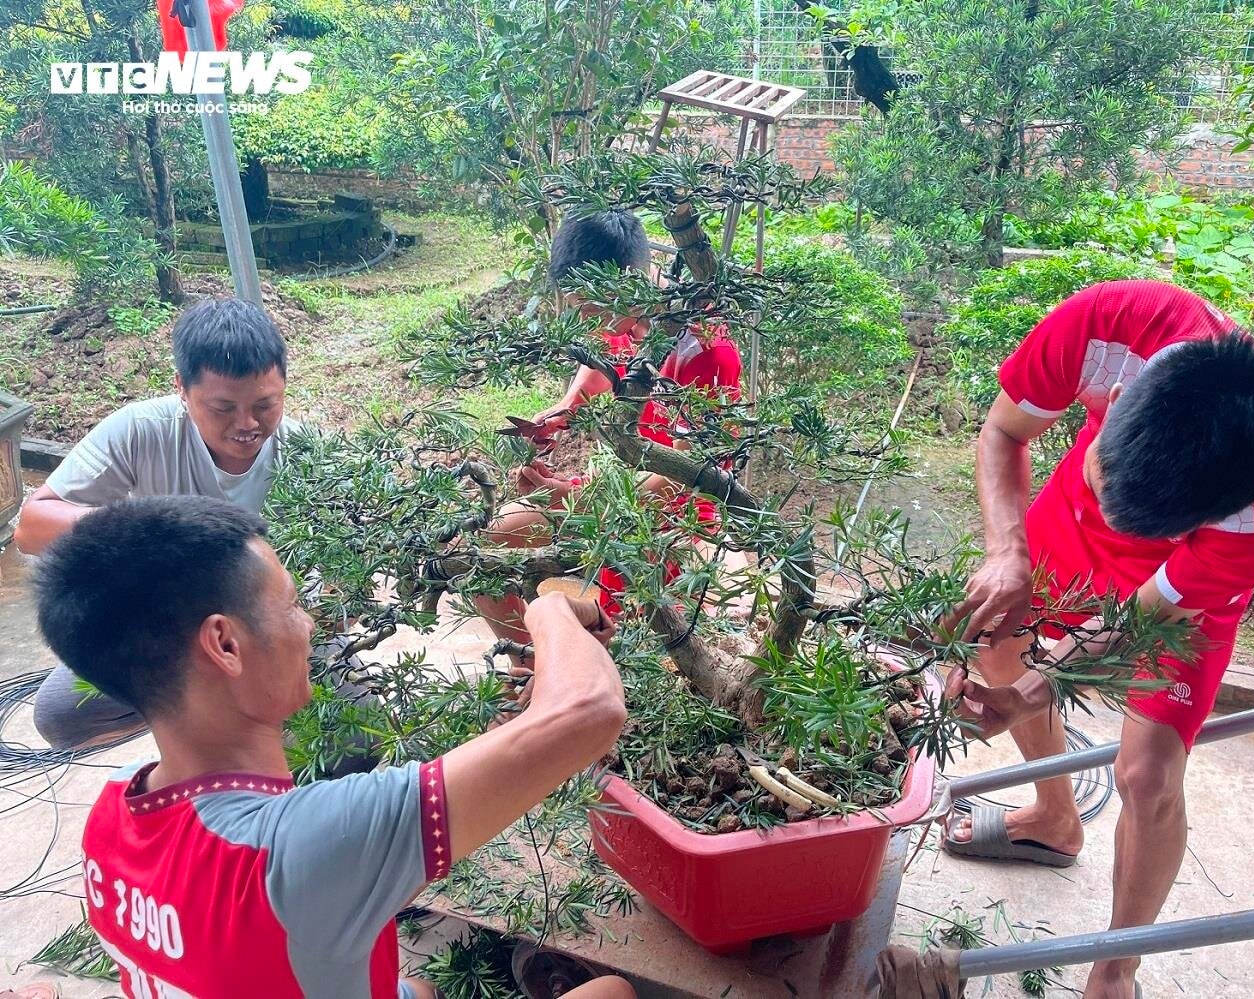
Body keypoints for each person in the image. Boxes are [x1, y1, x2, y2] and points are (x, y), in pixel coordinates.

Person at [34, 495, 634, 999]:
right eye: (292, 605)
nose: (310, 624)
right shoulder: (303, 848)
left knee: (414, 988)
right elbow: (588, 711)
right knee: (614, 993)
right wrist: (549, 608)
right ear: (225, 644)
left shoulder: (111, 816)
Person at [942, 280, 1254, 999]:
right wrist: (1006, 549)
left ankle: (1114, 967)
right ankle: (1054, 819)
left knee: (1147, 774)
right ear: (1115, 403)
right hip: (1067, 525)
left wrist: (1030, 691)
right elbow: (1001, 432)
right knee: (996, 640)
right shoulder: (1107, 325)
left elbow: (1144, 615)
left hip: (1178, 589)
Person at [14, 296, 302, 749]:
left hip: (264, 624)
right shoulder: (139, 431)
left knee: (356, 729)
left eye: (265, 405)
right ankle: (187, 724)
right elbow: (31, 528)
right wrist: (155, 528)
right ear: (182, 391)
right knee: (61, 718)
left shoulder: (306, 452)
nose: (247, 424)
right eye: (223, 408)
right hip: (164, 624)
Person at [476, 211, 742, 662]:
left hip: (677, 510)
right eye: (578, 304)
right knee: (486, 548)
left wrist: (576, 499)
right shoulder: (623, 317)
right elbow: (596, 374)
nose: (590, 321)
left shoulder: (706, 351)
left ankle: (590, 664)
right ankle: (530, 665)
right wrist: (557, 417)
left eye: (594, 306)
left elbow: (688, 473)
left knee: (626, 643)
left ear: (629, 283)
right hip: (619, 486)